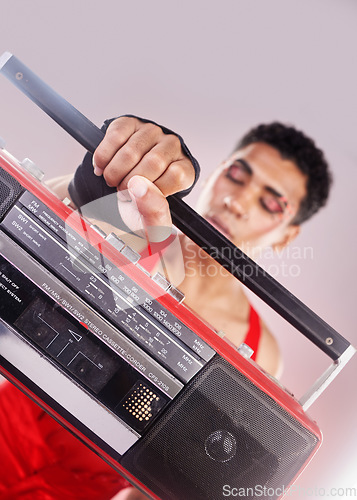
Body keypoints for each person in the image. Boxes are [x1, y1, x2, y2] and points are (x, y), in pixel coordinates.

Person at [0, 116, 331, 499]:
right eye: (237, 175)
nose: (236, 201)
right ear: (215, 173)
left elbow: (174, 479)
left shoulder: (262, 354)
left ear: (286, 236)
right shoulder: (139, 225)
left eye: (270, 203)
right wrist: (94, 190)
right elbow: (49, 221)